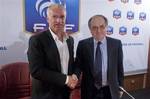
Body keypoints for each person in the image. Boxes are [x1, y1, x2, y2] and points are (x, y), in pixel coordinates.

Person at [27, 4, 78, 99]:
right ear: (47, 19)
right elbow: (36, 70)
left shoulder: (70, 40)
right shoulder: (37, 40)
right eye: (54, 16)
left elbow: (70, 64)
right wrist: (66, 79)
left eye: (62, 17)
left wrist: (74, 76)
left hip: (65, 93)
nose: (59, 21)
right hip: (45, 95)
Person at [74, 15, 124, 99]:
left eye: (102, 27)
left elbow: (119, 67)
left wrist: (121, 87)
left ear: (106, 27)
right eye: (94, 27)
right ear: (90, 30)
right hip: (89, 90)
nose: (98, 30)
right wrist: (75, 76)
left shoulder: (116, 44)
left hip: (110, 90)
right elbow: (78, 65)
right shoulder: (83, 45)